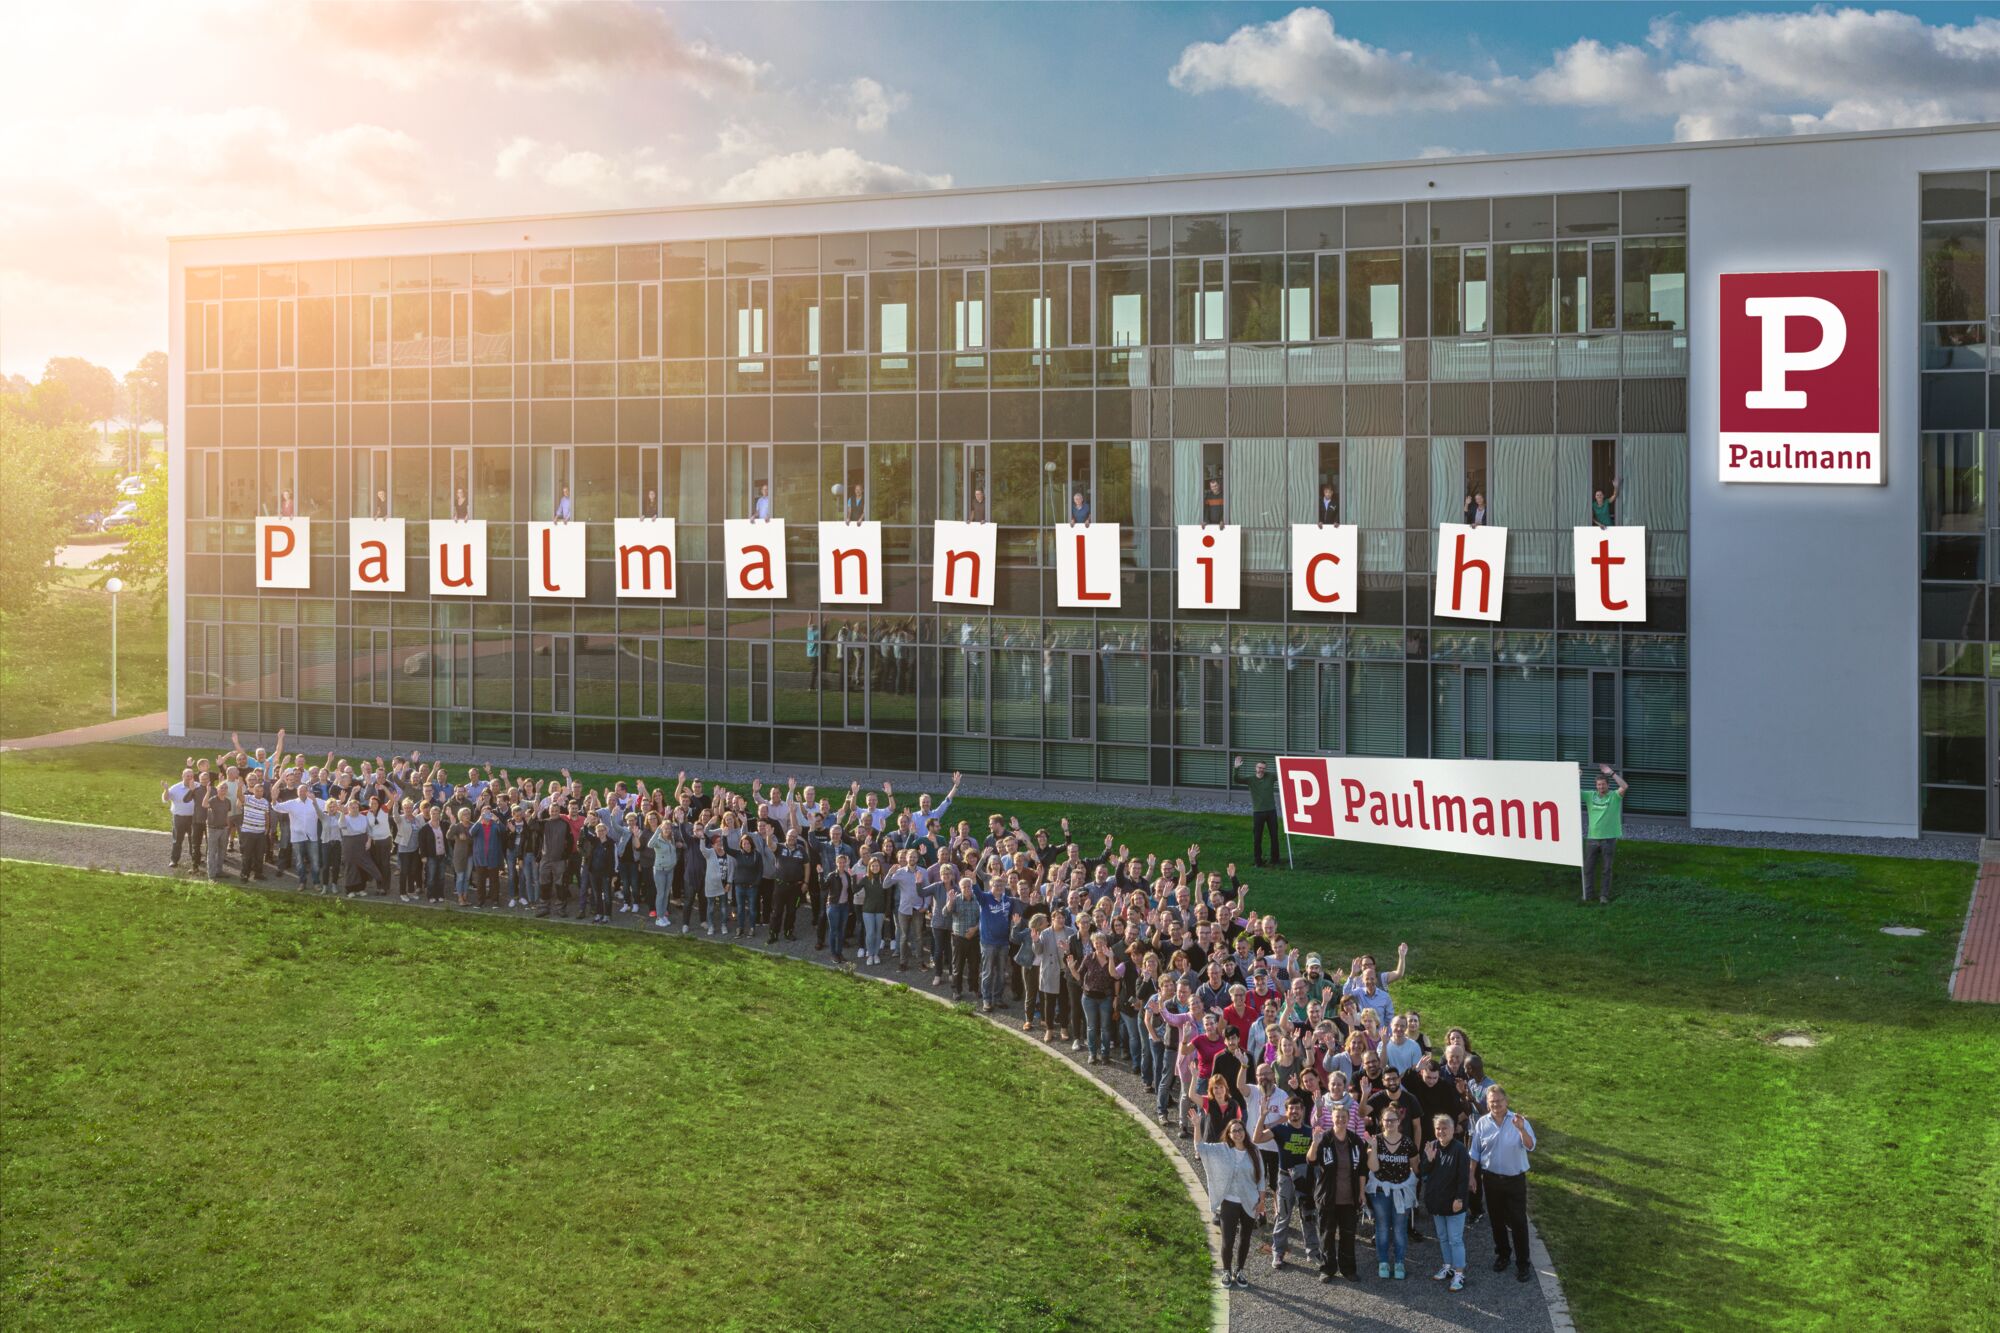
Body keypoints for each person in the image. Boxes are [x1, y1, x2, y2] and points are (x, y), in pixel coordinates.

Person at [1470, 1085, 1537, 1283]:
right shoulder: (1482, 1123)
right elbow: (1475, 1152)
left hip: (1514, 1180)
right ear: (1487, 1103)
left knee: (1518, 1222)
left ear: (1506, 1101)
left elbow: (1531, 1145)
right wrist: (1471, 1175)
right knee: (1496, 1220)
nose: (1496, 1105)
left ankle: (1523, 1263)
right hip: (1491, 1179)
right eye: (1492, 1102)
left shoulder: (1518, 1121)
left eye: (1499, 1101)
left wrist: (1522, 1130)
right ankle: (1503, 1255)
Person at [1195, 1116, 1263, 1290]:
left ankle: (1239, 1270)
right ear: (1229, 1134)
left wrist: (1262, 1201)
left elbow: (1261, 1178)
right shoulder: (1222, 1149)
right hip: (1229, 1202)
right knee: (1228, 1239)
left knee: (1245, 1238)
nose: (1238, 1133)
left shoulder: (1254, 1151)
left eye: (1240, 1130)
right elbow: (1200, 1148)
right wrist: (1196, 1125)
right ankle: (1226, 1270)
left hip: (1250, 1201)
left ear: (1244, 1132)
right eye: (1234, 1131)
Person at [1255, 1095, 1321, 1272]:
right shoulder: (1280, 1130)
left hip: (1306, 1179)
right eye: (1291, 1109)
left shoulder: (1309, 1131)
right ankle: (1278, 1251)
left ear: (1302, 1110)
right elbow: (1257, 1138)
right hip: (1285, 1178)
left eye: (1297, 1108)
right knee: (1283, 1216)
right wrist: (1262, 1116)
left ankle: (1313, 1251)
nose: (1294, 1111)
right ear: (1287, 1111)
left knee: (1308, 1215)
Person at [1311, 1099, 1369, 1283]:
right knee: (1326, 1234)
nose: (1341, 1120)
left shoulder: (1355, 1140)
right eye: (1337, 1117)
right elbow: (1311, 1160)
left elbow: (1362, 1170)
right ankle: (1327, 1269)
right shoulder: (1325, 1138)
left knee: (1348, 1235)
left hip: (1349, 1197)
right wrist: (1314, 1143)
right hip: (1328, 1197)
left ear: (1349, 1118)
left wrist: (1361, 1193)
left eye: (1344, 1117)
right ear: (1332, 1118)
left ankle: (1348, 1269)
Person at [1420, 1112, 1475, 1292]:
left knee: (1455, 1239)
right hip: (1437, 1201)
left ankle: (1459, 1273)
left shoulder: (1459, 1149)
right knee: (1442, 1237)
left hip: (1454, 1203)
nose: (1441, 1131)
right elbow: (1423, 1173)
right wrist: (1428, 1160)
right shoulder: (1432, 1146)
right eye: (1438, 1128)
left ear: (1452, 1129)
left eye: (1445, 1128)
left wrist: (1459, 1198)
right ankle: (1448, 1266)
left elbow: (1463, 1177)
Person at [1367, 1106, 1418, 1280]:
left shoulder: (1407, 1142)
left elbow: (1415, 1167)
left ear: (1399, 1121)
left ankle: (1399, 1263)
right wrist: (1373, 1149)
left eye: (1393, 1120)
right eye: (1386, 1120)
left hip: (1402, 1190)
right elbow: (1373, 1168)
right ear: (1381, 1122)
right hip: (1381, 1190)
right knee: (1381, 1227)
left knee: (1399, 1229)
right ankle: (1383, 1261)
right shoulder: (1376, 1140)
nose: (1390, 1123)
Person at [1582, 764, 1626, 903]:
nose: (1601, 787)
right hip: (1592, 838)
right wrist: (1576, 776)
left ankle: (1603, 896)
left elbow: (1624, 786)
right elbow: (1569, 790)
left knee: (1606, 869)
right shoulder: (1590, 795)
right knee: (1588, 869)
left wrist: (1611, 773)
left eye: (1603, 784)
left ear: (1607, 785)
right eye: (1598, 785)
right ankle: (1588, 895)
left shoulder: (1614, 796)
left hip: (1608, 839)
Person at [1232, 756, 1283, 868]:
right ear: (1256, 768)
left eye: (1263, 768)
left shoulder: (1270, 776)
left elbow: (1283, 774)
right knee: (1257, 837)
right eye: (1259, 767)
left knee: (1274, 836)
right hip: (1258, 812)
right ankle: (1258, 861)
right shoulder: (1251, 779)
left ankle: (1275, 859)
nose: (1261, 770)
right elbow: (1236, 780)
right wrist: (1236, 767)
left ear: (1265, 769)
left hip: (1271, 811)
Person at [163, 770, 201, 870]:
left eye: (191, 776)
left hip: (193, 818)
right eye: (187, 776)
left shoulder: (198, 786)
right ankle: (174, 860)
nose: (189, 778)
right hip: (179, 818)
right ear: (182, 776)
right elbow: (166, 799)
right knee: (177, 840)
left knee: (193, 840)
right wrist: (166, 790)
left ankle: (195, 859)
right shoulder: (176, 788)